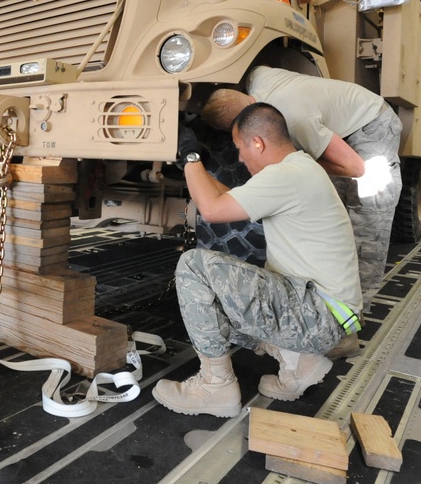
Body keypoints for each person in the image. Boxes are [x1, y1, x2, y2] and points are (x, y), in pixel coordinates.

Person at [154, 104, 361, 418]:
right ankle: (298, 363)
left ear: (257, 144)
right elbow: (226, 198)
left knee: (194, 267)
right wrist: (199, 171)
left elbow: (211, 210)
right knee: (221, 299)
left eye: (240, 149)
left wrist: (189, 156)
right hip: (324, 315)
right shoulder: (297, 170)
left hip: (316, 317)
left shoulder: (288, 175)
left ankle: (216, 387)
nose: (239, 158)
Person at [202, 65, 401, 358]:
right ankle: (320, 311)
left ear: (251, 133)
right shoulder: (258, 77)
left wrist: (299, 164)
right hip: (336, 124)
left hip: (371, 124)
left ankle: (348, 330)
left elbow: (356, 167)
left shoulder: (294, 120)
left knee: (366, 223)